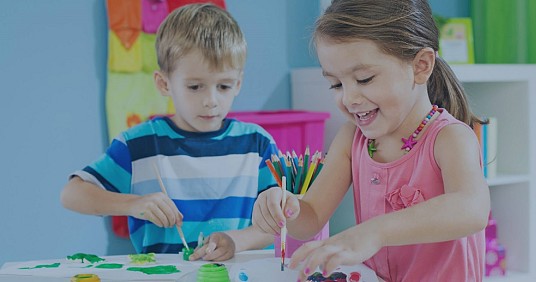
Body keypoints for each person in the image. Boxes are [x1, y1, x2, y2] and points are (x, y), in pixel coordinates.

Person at [252, 0, 490, 281]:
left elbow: (471, 209)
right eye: (337, 84)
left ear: (420, 66)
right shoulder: (353, 139)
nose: (349, 98)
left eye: (364, 79)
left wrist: (374, 232)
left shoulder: (449, 137)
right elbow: (312, 217)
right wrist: (284, 206)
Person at [61, 3, 277, 262]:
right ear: (164, 83)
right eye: (195, 86)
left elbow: (280, 224)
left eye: (224, 86)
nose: (211, 100)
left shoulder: (256, 144)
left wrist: (236, 242)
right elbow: (72, 194)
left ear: (238, 83)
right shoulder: (139, 145)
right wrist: (133, 204)